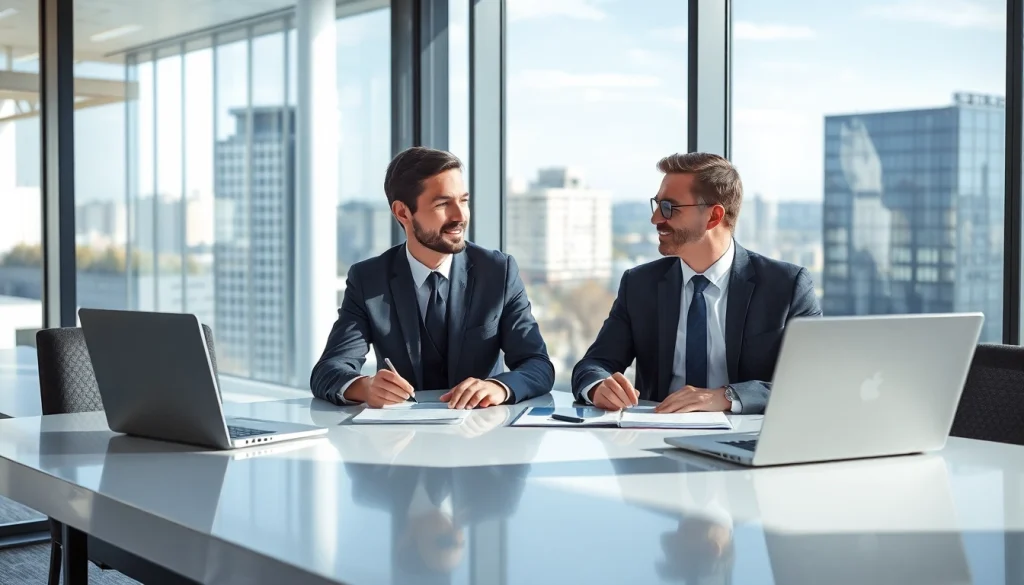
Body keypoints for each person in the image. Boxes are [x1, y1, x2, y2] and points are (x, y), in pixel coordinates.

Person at [571, 152, 821, 414]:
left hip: (748, 440)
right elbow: (594, 364)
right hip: (654, 437)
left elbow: (814, 378)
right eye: (656, 205)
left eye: (668, 207)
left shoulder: (787, 286)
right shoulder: (639, 284)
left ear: (713, 217)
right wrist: (599, 387)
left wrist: (728, 397)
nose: (655, 219)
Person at [311, 146, 554, 408]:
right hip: (401, 440)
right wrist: (365, 387)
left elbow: (538, 364)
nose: (460, 216)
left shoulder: (498, 272)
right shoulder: (368, 279)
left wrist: (499, 387)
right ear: (403, 212)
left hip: (482, 437)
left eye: (463, 201)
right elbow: (328, 370)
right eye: (443, 204)